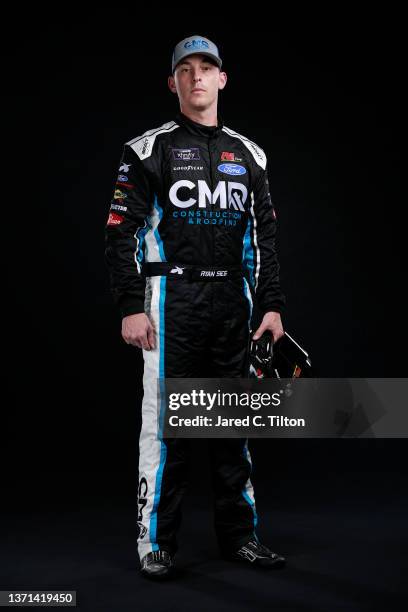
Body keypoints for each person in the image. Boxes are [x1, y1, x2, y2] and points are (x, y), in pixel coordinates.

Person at [105, 35, 286, 580]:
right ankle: (155, 543)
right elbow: (120, 233)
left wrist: (271, 306)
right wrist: (130, 304)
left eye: (208, 68)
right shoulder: (145, 149)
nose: (198, 77)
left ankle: (241, 537)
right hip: (171, 303)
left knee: (233, 426)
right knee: (168, 428)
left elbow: (265, 238)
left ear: (223, 79)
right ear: (174, 82)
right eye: (187, 69)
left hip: (234, 301)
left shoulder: (250, 154)